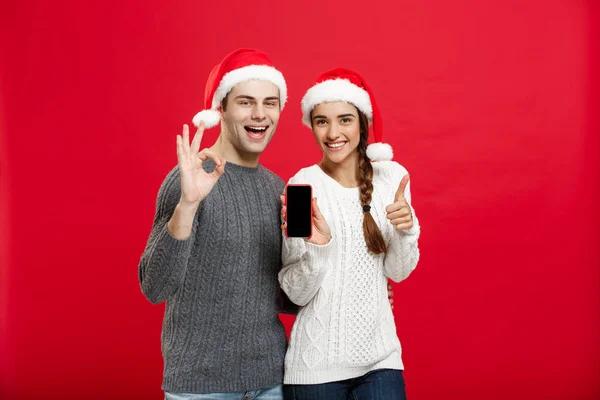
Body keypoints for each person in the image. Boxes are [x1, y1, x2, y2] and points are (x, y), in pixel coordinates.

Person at [138, 48, 292, 399]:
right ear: (220, 108)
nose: (259, 114)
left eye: (270, 102)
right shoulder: (189, 179)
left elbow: (283, 295)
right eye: (246, 102)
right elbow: (154, 286)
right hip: (200, 387)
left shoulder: (278, 189)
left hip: (271, 381)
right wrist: (189, 205)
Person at [279, 68, 421, 399]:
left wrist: (405, 230)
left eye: (345, 120)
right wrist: (319, 248)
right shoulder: (301, 187)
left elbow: (398, 272)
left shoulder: (392, 177)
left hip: (381, 359)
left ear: (362, 123)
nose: (333, 133)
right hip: (316, 368)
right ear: (311, 126)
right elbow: (296, 294)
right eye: (321, 121)